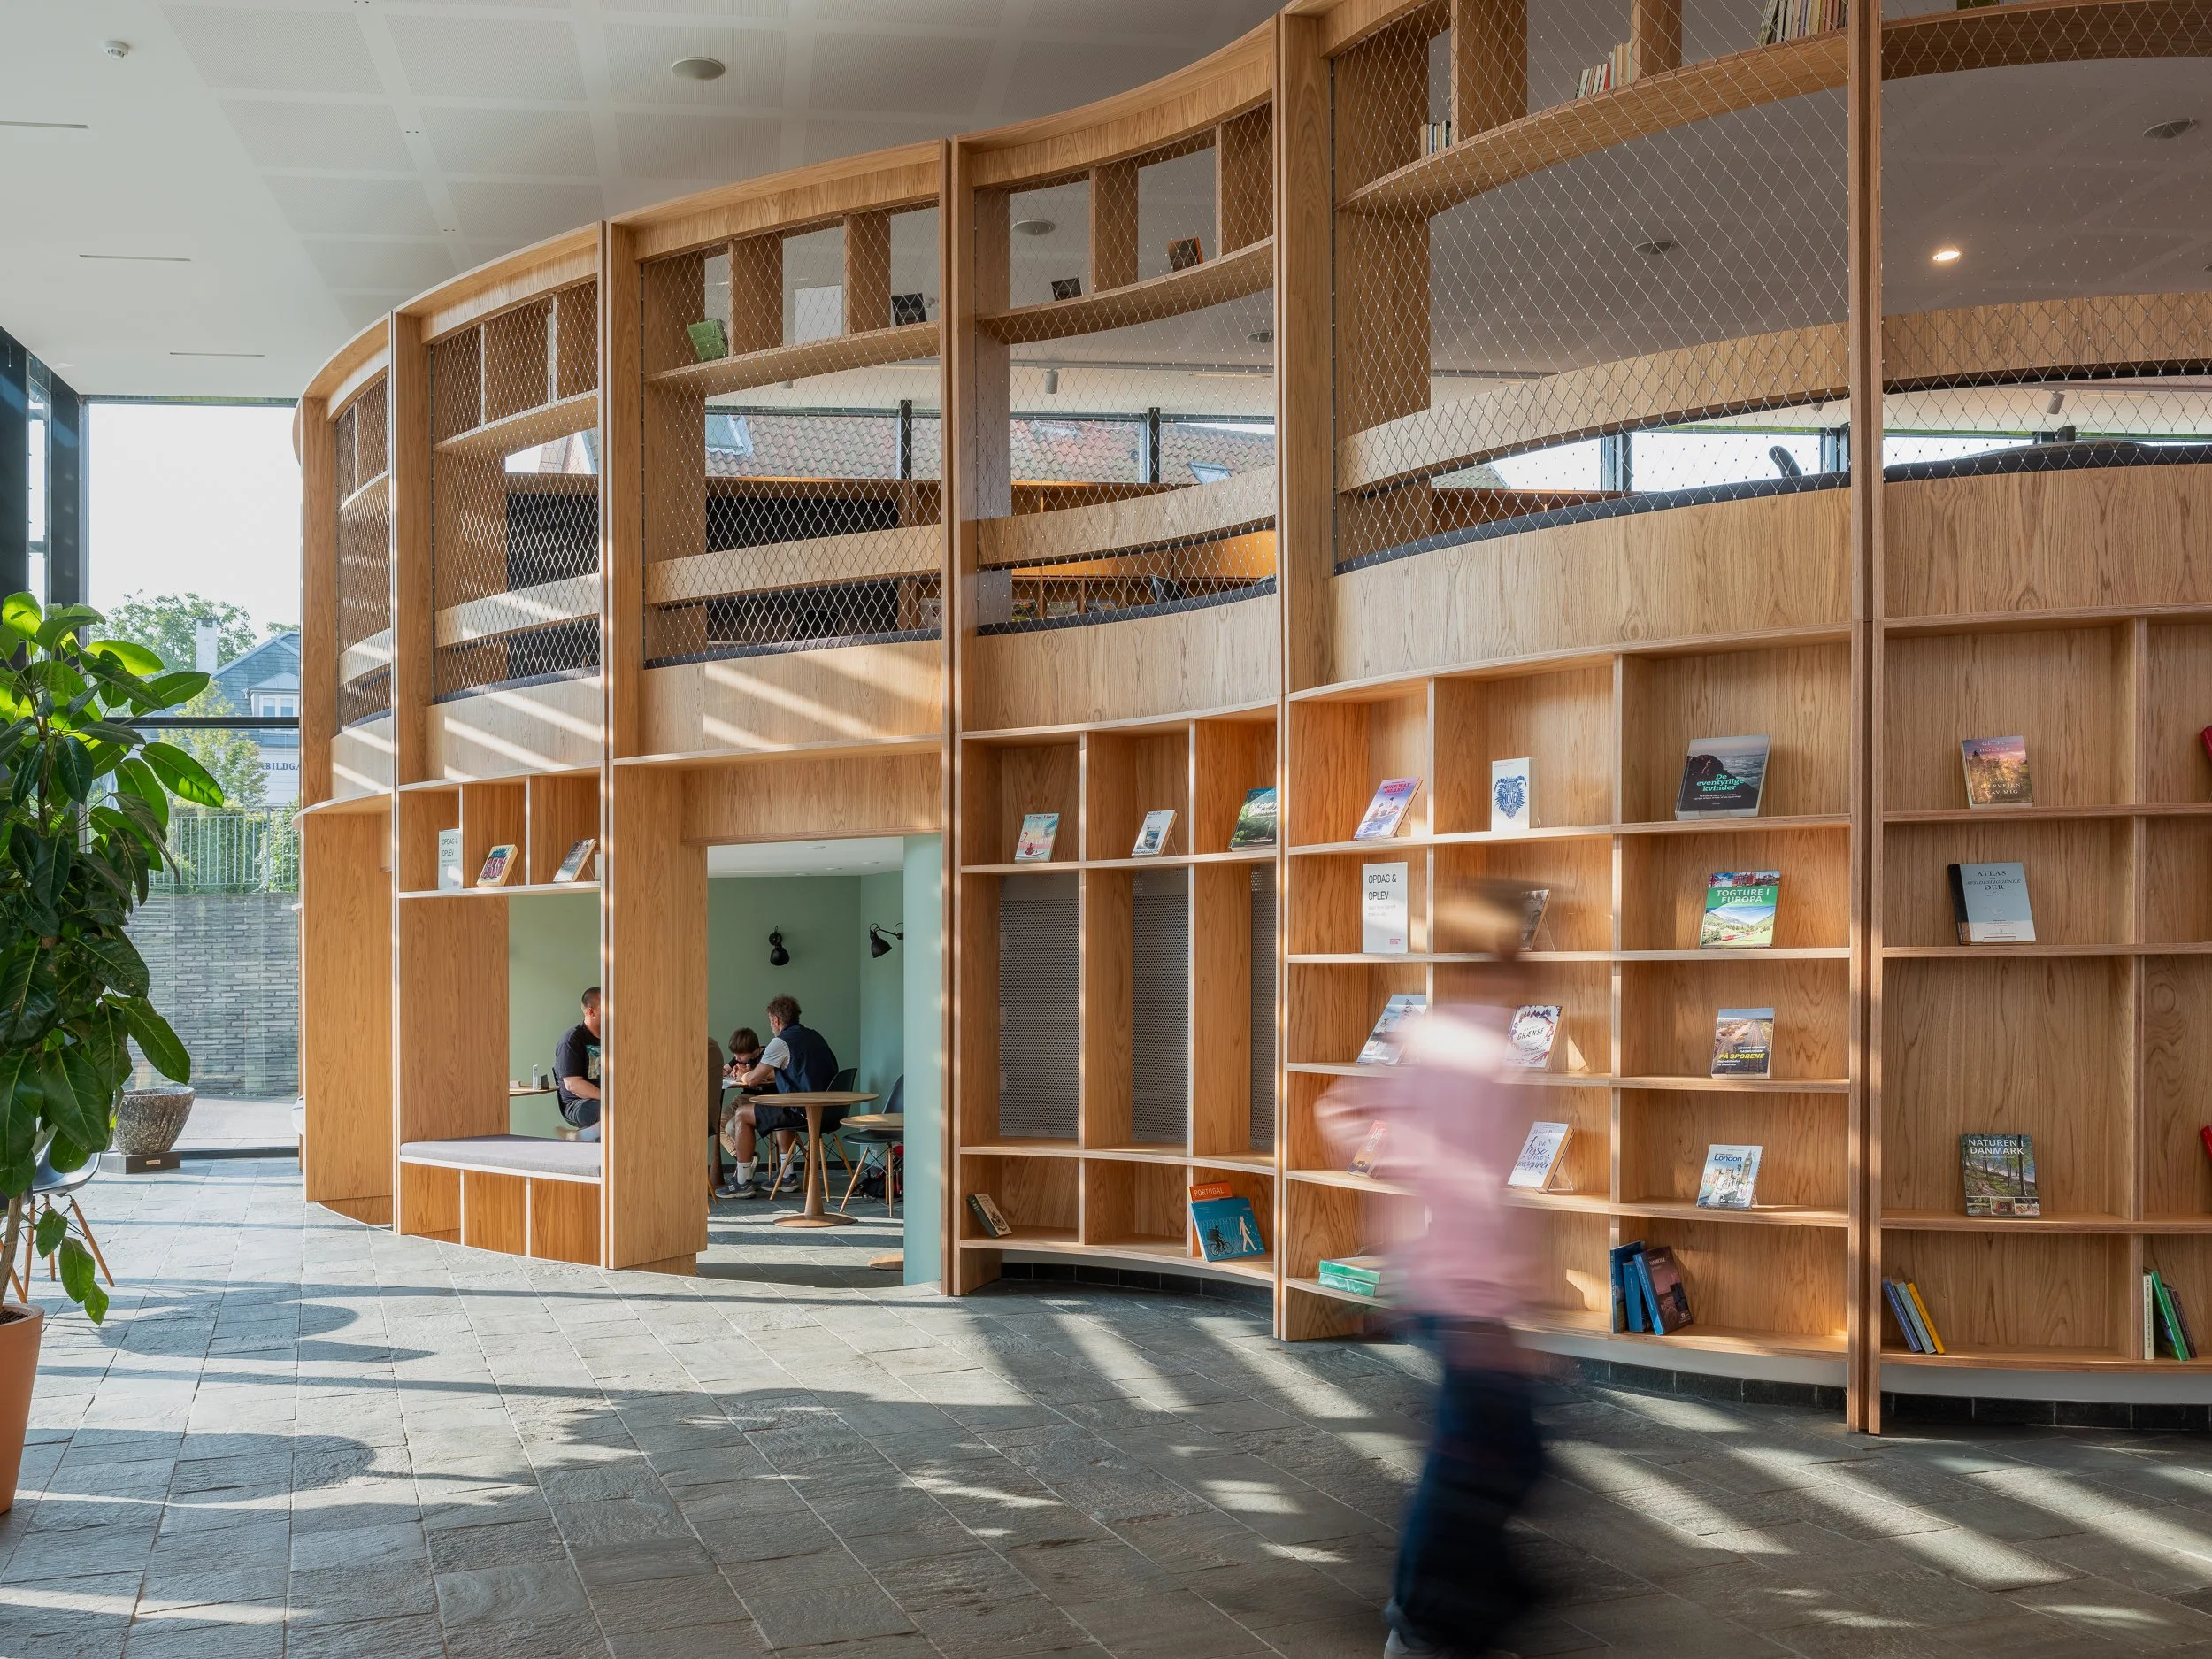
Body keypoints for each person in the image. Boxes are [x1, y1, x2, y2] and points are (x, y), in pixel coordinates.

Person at [1316, 884, 1549, 1659]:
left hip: (1444, 1280)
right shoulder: (1487, 1052)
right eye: (1525, 946)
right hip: (1467, 1290)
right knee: (1476, 1464)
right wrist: (1495, 1307)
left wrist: (1399, 1175)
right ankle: (1423, 1623)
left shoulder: (1429, 1032)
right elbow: (1477, 1184)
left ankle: (1459, 1617)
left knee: (1491, 1456)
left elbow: (1340, 1112)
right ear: (1504, 954)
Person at [716, 996, 839, 1199]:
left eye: (770, 1021)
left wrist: (744, 1075)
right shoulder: (815, 1036)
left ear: (776, 1020)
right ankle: (787, 1176)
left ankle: (742, 1183)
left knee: (742, 1114)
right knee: (782, 1109)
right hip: (830, 1111)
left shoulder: (781, 1042)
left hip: (802, 1111)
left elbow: (753, 1080)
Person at [554, 987, 603, 1141]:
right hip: (578, 1102)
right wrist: (609, 1098)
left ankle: (583, 1136)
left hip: (606, 1098)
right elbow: (573, 1085)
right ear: (591, 1012)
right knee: (608, 1112)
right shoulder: (571, 1040)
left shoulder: (612, 1037)